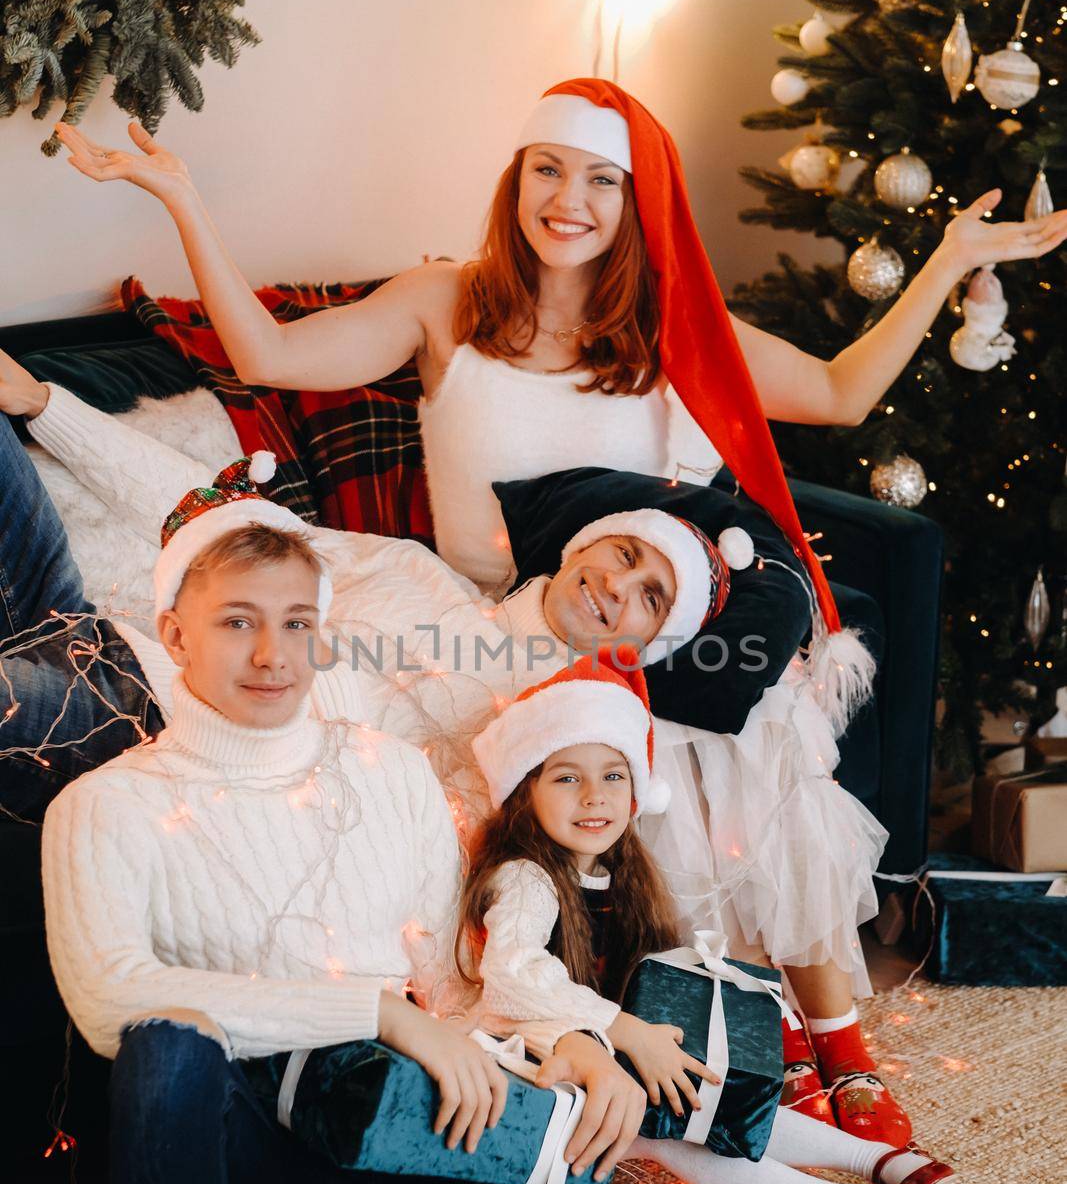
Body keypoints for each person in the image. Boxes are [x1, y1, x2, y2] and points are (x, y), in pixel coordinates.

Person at [44, 77, 1067, 1135]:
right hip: (489, 623)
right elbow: (269, 357)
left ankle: (828, 1037)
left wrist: (948, 260)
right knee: (607, 748)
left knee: (748, 724)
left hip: (640, 621)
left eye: (597, 179)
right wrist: (181, 198)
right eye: (545, 168)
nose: (565, 199)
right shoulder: (446, 300)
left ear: (633, 201)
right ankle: (725, 1031)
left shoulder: (671, 327)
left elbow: (842, 391)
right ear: (515, 179)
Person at [41, 461, 746, 1184]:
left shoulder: (390, 776)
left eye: (294, 622)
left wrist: (568, 1035)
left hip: (414, 1156)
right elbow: (116, 999)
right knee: (168, 1047)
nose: (270, 650)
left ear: (321, 633)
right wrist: (377, 1012)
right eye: (237, 619)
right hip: (256, 1175)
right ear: (176, 634)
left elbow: (461, 983)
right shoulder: (106, 806)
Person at [0, 369, 899, 1137]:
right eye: (621, 553)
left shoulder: (537, 749)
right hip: (105, 628)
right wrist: (43, 403)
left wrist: (573, 1035)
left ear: (648, 643)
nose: (614, 585)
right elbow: (226, 518)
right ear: (586, 542)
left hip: (122, 709)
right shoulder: (411, 571)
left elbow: (483, 936)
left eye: (648, 597)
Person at [460, 645, 954, 1184]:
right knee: (679, 1119)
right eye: (568, 778)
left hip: (594, 1040)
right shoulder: (526, 878)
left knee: (708, 1083)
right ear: (524, 794)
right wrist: (629, 1032)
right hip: (528, 1061)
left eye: (613, 776)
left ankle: (880, 1164)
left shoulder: (618, 871)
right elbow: (513, 973)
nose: (595, 796)